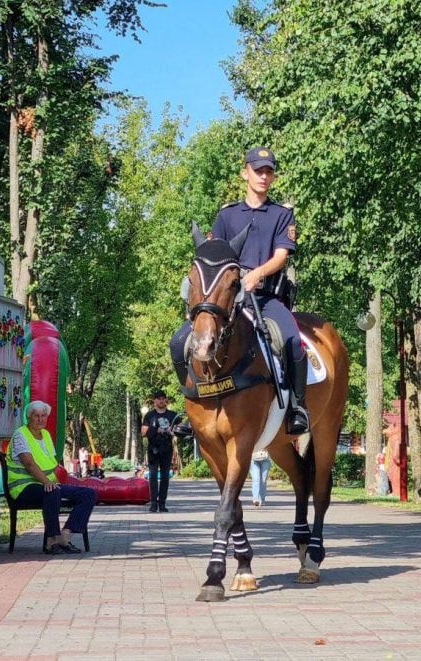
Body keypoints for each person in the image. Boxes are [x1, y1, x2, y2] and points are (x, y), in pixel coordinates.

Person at [169, 146, 309, 435]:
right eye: (258, 170)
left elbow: (282, 255)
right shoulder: (227, 215)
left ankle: (298, 407)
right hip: (229, 299)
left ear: (273, 177)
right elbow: (213, 255)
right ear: (245, 172)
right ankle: (192, 404)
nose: (263, 176)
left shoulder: (282, 214)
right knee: (179, 342)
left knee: (293, 341)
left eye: (269, 171)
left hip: (267, 296)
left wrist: (257, 273)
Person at [6, 401, 97, 555]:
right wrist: (47, 482)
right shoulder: (20, 435)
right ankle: (51, 539)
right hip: (23, 488)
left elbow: (52, 464)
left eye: (44, 416)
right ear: (29, 417)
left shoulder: (46, 435)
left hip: (46, 484)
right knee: (52, 492)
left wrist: (56, 482)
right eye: (37, 416)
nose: (41, 419)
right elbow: (29, 463)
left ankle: (65, 535)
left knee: (89, 494)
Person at [142, 390, 178, 513]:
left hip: (167, 448)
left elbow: (181, 429)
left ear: (166, 400)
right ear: (154, 401)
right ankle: (153, 503)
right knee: (152, 476)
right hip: (153, 449)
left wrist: (171, 430)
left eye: (163, 398)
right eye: (158, 399)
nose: (161, 401)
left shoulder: (172, 415)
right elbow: (143, 432)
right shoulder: (150, 415)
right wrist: (155, 430)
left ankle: (162, 504)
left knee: (165, 477)